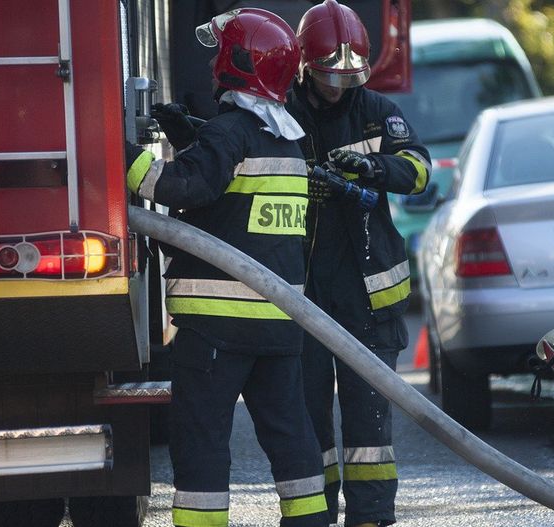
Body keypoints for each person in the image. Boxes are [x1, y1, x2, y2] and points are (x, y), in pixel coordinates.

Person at [125, 8, 329, 527]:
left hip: (217, 327)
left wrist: (118, 154)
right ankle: (309, 520)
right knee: (291, 437)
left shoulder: (231, 132)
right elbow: (239, 197)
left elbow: (185, 186)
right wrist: (195, 135)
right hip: (279, 325)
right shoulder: (290, 139)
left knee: (202, 439)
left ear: (235, 63)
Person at [285, 2, 431, 526]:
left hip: (369, 300)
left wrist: (373, 167)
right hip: (300, 296)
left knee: (370, 429)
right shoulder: (282, 114)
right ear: (305, 64)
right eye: (328, 75)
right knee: (308, 424)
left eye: (347, 76)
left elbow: (418, 170)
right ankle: (313, 517)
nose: (337, 86)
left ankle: (370, 518)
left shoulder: (375, 110)